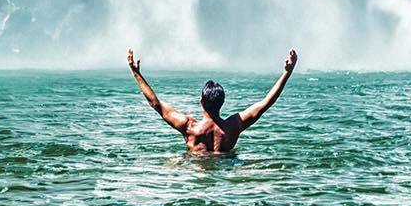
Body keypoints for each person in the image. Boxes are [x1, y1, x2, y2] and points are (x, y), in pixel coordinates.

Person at [127, 47, 298, 154]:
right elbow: (265, 103)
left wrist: (136, 73)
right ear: (222, 102)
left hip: (195, 175)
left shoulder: (190, 127)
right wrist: (286, 73)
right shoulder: (233, 126)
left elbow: (155, 104)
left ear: (201, 101)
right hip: (225, 177)